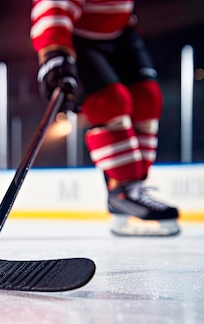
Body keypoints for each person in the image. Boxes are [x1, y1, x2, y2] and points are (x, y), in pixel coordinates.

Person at [31, 0, 180, 236]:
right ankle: (122, 189)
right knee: (109, 102)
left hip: (121, 31)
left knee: (148, 98)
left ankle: (133, 188)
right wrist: (54, 51)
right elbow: (53, 5)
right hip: (80, 36)